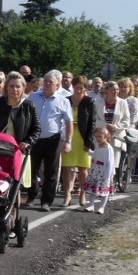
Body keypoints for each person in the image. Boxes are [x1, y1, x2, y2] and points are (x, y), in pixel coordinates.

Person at [0, 71, 40, 207]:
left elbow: (36, 129)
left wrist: (28, 142)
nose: (15, 89)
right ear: (6, 87)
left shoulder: (28, 106)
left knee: (14, 184)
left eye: (18, 86)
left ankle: (12, 216)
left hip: (18, 150)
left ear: (23, 88)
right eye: (11, 86)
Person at [26, 70, 73, 212]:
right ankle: (31, 195)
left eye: (50, 82)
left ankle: (46, 201)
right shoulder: (33, 97)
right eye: (45, 81)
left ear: (57, 85)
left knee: (51, 171)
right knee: (32, 169)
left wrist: (68, 141)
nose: (47, 84)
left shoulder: (63, 101)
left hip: (53, 139)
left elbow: (69, 122)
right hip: (34, 139)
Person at [61, 76, 95, 206]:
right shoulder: (66, 100)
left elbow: (92, 122)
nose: (79, 89)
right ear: (73, 87)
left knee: (83, 168)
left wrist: (88, 141)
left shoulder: (89, 101)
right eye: (76, 87)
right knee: (67, 167)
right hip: (68, 137)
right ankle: (67, 195)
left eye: (82, 87)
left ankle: (83, 193)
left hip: (82, 137)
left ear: (85, 88)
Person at [94, 81, 130, 173]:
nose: (116, 92)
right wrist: (106, 125)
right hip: (101, 136)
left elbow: (126, 121)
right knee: (100, 162)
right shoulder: (98, 102)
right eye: (113, 90)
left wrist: (115, 127)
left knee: (113, 163)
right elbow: (94, 119)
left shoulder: (123, 103)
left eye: (117, 90)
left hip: (116, 136)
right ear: (107, 91)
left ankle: (110, 183)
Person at [83, 128, 115, 214]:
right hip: (96, 170)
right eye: (96, 136)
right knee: (92, 189)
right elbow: (95, 154)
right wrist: (89, 151)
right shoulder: (98, 146)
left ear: (106, 136)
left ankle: (102, 207)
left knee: (104, 190)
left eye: (100, 136)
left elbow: (110, 162)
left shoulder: (108, 148)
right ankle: (91, 205)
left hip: (104, 171)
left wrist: (107, 175)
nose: (97, 139)